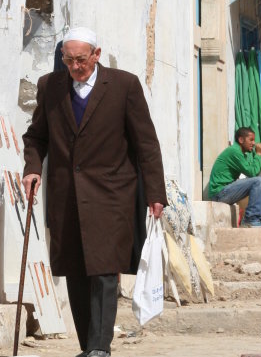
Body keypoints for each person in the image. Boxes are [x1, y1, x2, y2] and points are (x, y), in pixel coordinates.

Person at [22, 26, 166, 357]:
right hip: (66, 196)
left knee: (103, 269)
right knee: (75, 270)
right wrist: (32, 168)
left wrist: (156, 192)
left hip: (112, 193)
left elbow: (146, 143)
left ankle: (100, 347)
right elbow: (37, 137)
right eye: (68, 60)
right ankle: (88, 347)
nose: (75, 66)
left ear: (96, 55)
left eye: (81, 60)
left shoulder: (124, 85)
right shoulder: (50, 87)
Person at [207, 127, 261, 227]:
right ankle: (251, 219)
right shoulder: (234, 152)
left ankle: (258, 219)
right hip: (219, 194)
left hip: (226, 192)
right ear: (241, 140)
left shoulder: (241, 153)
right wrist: (258, 154)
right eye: (251, 140)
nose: (253, 143)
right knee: (258, 181)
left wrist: (260, 155)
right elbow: (252, 172)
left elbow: (254, 171)